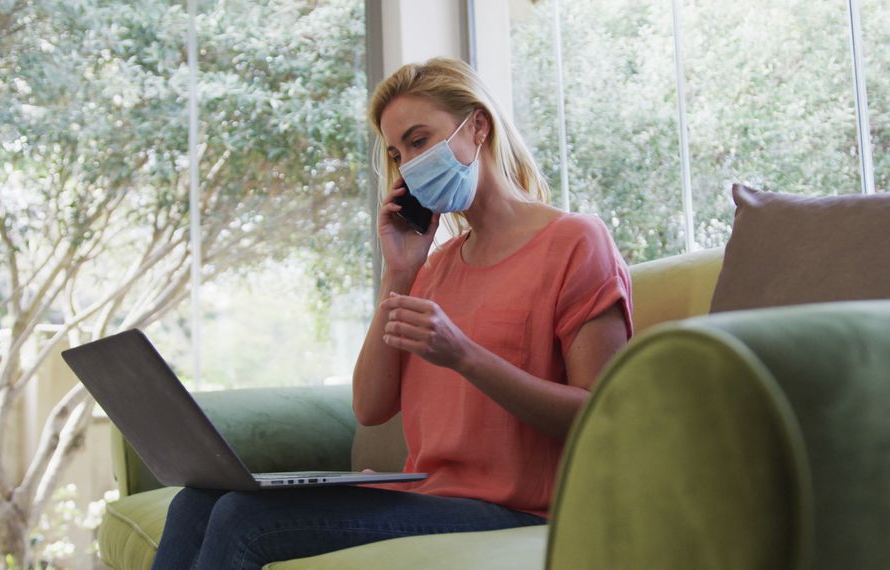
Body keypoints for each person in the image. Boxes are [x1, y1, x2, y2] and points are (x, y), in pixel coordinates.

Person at [151, 57, 633, 570]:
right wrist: (398, 274)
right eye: (398, 153)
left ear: (477, 127)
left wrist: (464, 355)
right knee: (197, 503)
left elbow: (602, 416)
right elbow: (371, 406)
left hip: (520, 511)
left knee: (244, 519)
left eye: (420, 141)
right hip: (429, 496)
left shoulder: (576, 240)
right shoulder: (434, 266)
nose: (408, 165)